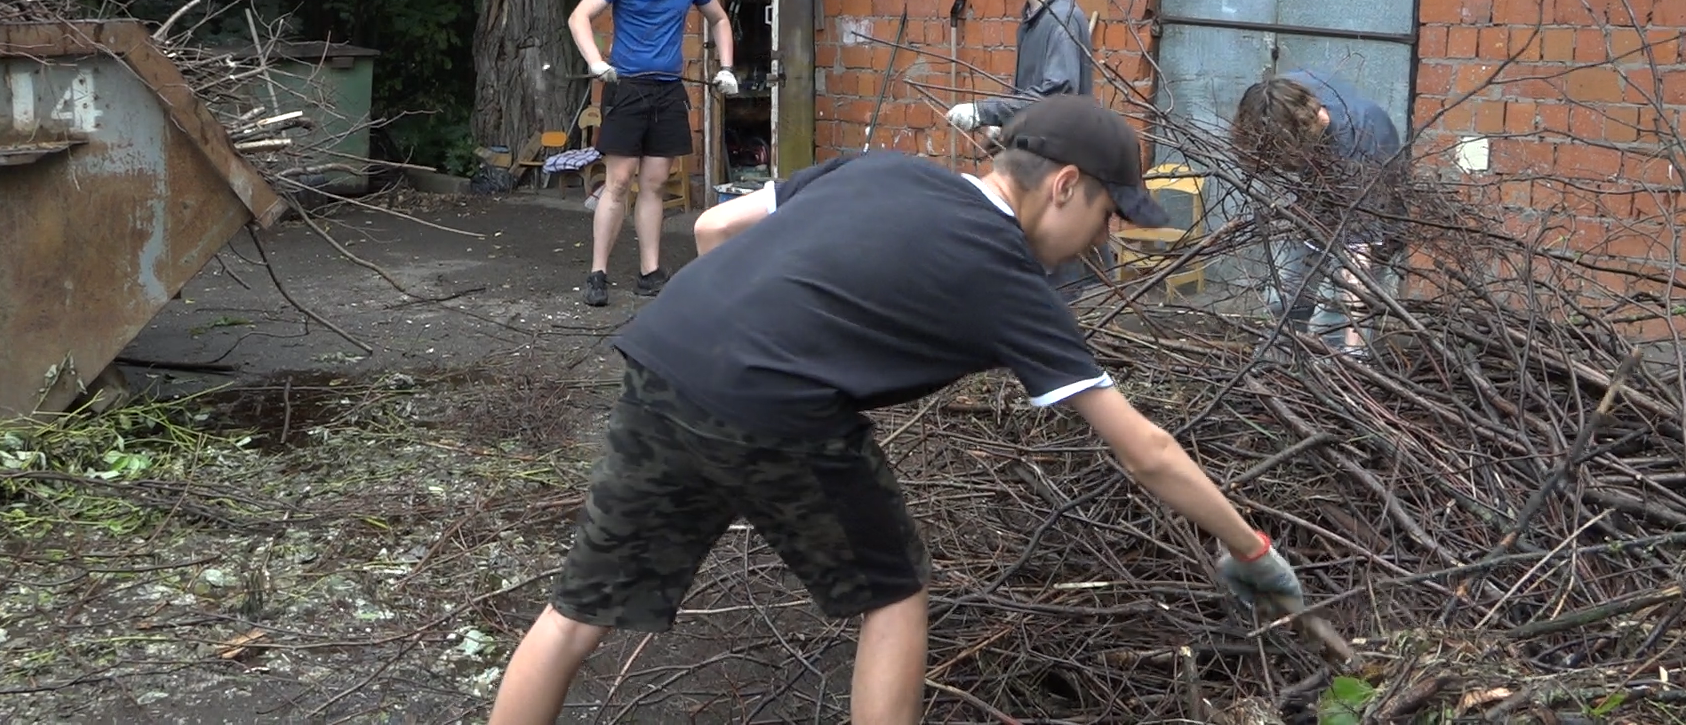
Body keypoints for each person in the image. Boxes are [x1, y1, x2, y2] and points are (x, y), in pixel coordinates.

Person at [485, 95, 1307, 725]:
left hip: (667, 359)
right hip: (782, 407)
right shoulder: (1011, 283)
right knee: (894, 596)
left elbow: (716, 224)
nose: (1103, 241)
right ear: (1065, 186)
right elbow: (1145, 451)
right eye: (1108, 217)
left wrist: (751, 333)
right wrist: (1251, 549)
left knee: (576, 613)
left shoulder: (885, 169)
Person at [568, 0, 738, 307]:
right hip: (626, 88)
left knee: (655, 184)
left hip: (667, 92)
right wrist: (596, 62)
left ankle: (649, 272)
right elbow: (580, 17)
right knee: (619, 181)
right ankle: (598, 273)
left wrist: (726, 67)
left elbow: (720, 19)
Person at [946, 0, 1104, 292]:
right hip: (1039, 170)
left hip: (1062, 175)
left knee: (1065, 288)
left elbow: (1057, 96)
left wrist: (985, 112)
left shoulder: (1062, 20)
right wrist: (1009, 128)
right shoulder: (1034, 19)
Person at [1230, 69, 1408, 355]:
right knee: (1282, 296)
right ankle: (1278, 370)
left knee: (1335, 313)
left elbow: (1357, 260)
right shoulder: (1277, 100)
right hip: (1312, 207)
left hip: (1369, 219)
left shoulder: (1363, 137)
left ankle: (1342, 379)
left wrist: (1355, 347)